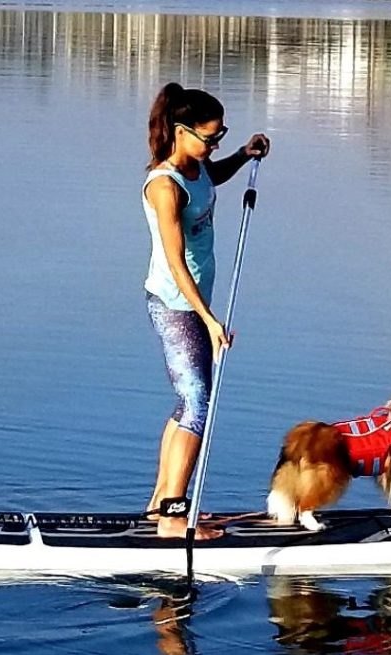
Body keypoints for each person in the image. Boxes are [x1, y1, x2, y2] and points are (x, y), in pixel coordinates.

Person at [142, 82, 270, 539]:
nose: (213, 146)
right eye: (209, 138)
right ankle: (174, 519)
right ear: (181, 132)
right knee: (198, 405)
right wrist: (211, 320)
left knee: (188, 402)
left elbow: (211, 178)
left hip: (195, 303)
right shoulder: (164, 186)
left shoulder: (196, 168)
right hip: (177, 305)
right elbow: (176, 264)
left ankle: (160, 503)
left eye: (220, 137)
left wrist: (242, 154)